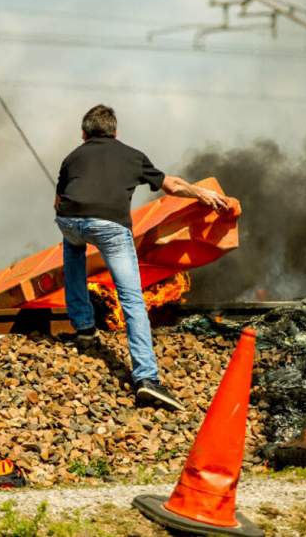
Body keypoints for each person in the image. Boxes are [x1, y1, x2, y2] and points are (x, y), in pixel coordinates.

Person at [54, 104, 230, 411]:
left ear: (83, 134)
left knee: (72, 250)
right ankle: (147, 378)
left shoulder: (72, 157)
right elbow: (171, 185)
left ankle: (84, 328)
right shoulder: (132, 155)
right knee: (132, 298)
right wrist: (200, 193)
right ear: (115, 132)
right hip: (110, 227)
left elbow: (58, 202)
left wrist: (79, 220)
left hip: (70, 222)